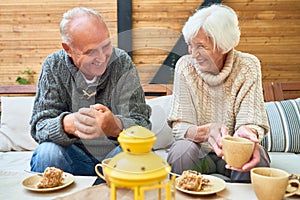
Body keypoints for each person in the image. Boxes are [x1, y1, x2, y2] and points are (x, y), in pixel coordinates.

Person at [29, 7, 151, 177]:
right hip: (72, 158)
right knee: (47, 153)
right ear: (68, 49)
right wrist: (66, 124)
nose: (102, 57)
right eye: (90, 51)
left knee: (136, 155)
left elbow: (144, 126)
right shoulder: (54, 66)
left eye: (106, 46)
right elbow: (39, 127)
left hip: (114, 159)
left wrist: (116, 126)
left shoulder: (122, 63)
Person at [167, 4, 270, 183]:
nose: (193, 54)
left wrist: (245, 134)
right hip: (198, 154)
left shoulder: (248, 66)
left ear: (223, 45)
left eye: (201, 46)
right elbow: (181, 128)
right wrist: (206, 132)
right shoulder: (185, 67)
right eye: (190, 45)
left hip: (232, 154)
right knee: (182, 150)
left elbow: (251, 120)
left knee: (256, 157)